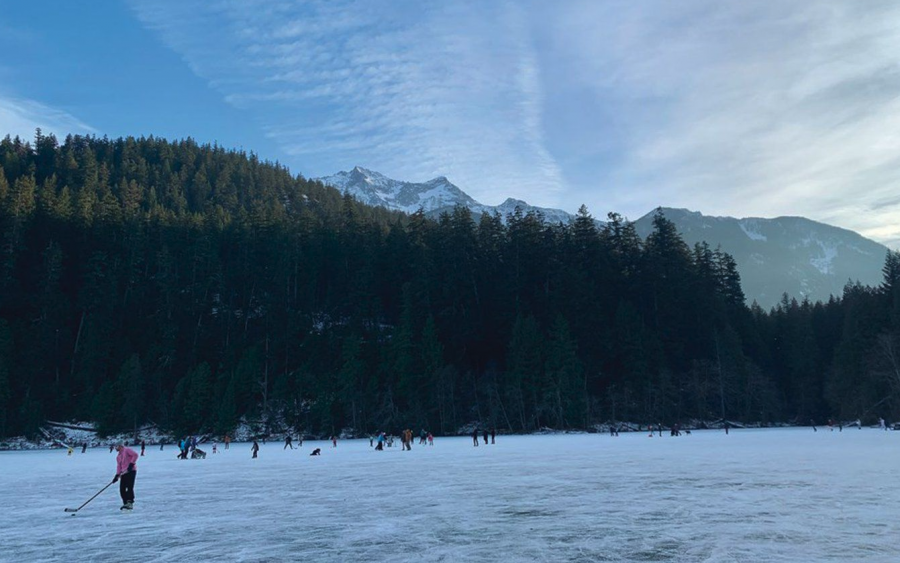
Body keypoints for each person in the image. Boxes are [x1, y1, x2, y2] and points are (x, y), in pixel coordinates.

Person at [113, 442, 138, 510]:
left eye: (116, 446)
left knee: (129, 487)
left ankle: (130, 503)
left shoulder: (127, 450)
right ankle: (125, 503)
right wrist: (117, 475)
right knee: (122, 489)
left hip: (131, 471)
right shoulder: (118, 456)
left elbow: (135, 455)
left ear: (120, 446)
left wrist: (131, 464)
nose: (115, 448)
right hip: (123, 473)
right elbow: (119, 466)